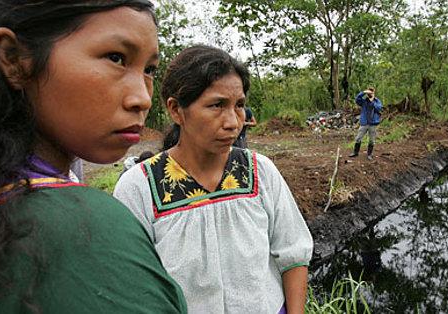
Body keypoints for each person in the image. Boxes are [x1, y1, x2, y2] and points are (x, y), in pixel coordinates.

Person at [0, 1, 187, 312]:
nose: (142, 98)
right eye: (116, 58)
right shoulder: (88, 228)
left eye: (149, 70)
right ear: (14, 58)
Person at [114, 45, 313, 314]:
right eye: (217, 105)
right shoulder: (140, 186)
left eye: (239, 105)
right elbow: (132, 285)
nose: (233, 122)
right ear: (176, 110)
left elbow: (293, 254)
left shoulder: (259, 171)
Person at [349, 87, 383, 160]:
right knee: (358, 138)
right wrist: (363, 92)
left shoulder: (377, 101)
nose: (370, 94)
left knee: (372, 140)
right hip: (364, 123)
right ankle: (355, 152)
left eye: (371, 92)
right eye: (369, 92)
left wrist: (372, 100)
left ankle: (369, 154)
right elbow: (357, 99)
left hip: (373, 124)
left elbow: (379, 108)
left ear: (374, 93)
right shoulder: (364, 101)